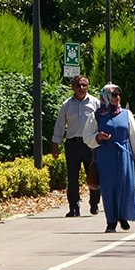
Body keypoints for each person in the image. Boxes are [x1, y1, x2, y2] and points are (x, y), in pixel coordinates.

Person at [83, 84, 135, 233]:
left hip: (124, 155)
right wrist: (98, 137)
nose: (117, 98)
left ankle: (123, 216)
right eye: (114, 95)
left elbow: (133, 136)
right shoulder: (96, 116)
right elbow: (87, 137)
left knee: (125, 186)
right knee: (108, 189)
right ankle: (111, 222)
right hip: (105, 156)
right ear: (106, 97)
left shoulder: (126, 114)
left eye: (118, 94)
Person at [52, 75, 101, 217]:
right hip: (72, 145)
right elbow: (60, 125)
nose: (81, 88)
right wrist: (56, 145)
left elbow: (100, 123)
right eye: (78, 85)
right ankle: (74, 208)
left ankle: (94, 203)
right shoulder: (67, 105)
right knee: (72, 178)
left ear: (88, 86)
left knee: (93, 175)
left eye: (84, 85)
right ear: (72, 87)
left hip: (90, 144)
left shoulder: (95, 103)